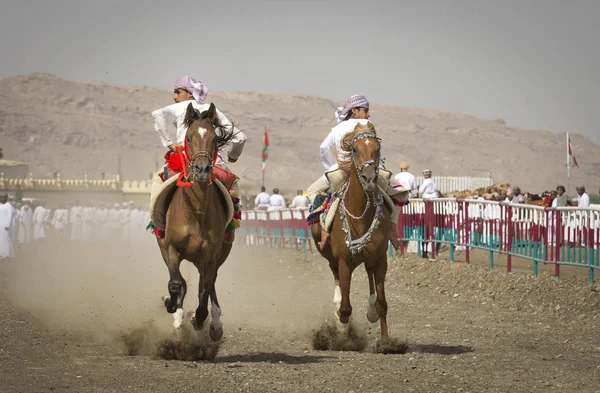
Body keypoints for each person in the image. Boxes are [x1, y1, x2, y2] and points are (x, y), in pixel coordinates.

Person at [306, 94, 406, 250]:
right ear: (355, 110)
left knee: (314, 192)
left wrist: (332, 167)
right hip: (369, 170)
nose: (368, 114)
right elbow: (374, 148)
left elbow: (323, 148)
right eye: (365, 110)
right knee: (401, 192)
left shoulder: (337, 128)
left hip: (340, 171)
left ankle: (325, 227)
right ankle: (392, 228)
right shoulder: (367, 124)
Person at [150, 75, 247, 209]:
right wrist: (233, 156)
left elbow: (157, 114)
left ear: (190, 93)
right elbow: (241, 137)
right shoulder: (214, 111)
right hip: (215, 164)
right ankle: (230, 226)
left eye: (178, 92)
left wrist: (169, 143)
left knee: (157, 179)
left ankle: (159, 225)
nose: (174, 97)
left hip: (183, 162)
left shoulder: (180, 107)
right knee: (233, 187)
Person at [0, 194, 14, 259]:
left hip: (5, 226)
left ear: (6, 198)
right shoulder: (0, 205)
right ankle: (1, 253)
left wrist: (7, 225)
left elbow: (9, 216)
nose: (2, 199)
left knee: (6, 239)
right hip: (0, 225)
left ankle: (7, 254)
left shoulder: (8, 206)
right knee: (1, 239)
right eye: (1, 198)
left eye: (3, 198)